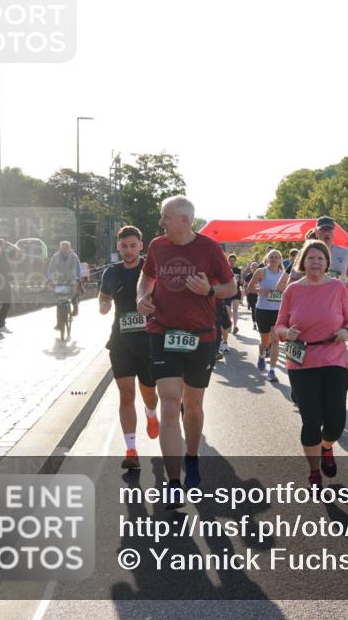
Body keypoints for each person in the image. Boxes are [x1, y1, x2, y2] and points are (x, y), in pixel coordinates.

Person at [136, 195, 236, 507]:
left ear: (185, 220)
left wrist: (208, 290)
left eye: (165, 217)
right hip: (162, 331)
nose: (161, 222)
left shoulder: (208, 248)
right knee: (169, 404)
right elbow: (146, 277)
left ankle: (191, 457)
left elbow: (231, 288)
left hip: (201, 336)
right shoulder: (157, 246)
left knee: (192, 406)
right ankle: (174, 481)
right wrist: (142, 298)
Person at [275, 240, 348, 487]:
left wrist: (346, 331)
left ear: (327, 263)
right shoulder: (292, 290)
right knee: (311, 420)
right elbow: (279, 325)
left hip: (333, 355)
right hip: (302, 360)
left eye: (320, 259)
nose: (316, 262)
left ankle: (326, 446)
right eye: (311, 258)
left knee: (335, 422)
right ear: (303, 261)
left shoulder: (337, 287)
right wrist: (286, 332)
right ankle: (314, 472)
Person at [98, 226, 160, 470]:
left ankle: (151, 413)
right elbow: (103, 296)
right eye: (124, 246)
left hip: (148, 341)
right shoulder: (111, 273)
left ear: (141, 246)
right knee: (126, 395)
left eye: (133, 245)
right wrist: (103, 305)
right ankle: (131, 449)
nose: (128, 250)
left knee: (149, 393)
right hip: (121, 341)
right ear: (118, 247)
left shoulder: (150, 269)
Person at [248, 249, 285, 382]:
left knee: (275, 341)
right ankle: (262, 354)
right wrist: (261, 290)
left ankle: (272, 371)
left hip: (278, 311)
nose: (274, 259)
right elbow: (249, 288)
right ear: (267, 259)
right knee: (266, 341)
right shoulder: (261, 271)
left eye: (277, 257)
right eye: (272, 257)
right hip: (262, 310)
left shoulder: (283, 275)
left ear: (280, 260)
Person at [46, 241, 80, 331]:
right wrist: (49, 280)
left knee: (74, 290)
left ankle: (75, 306)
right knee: (59, 303)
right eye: (63, 248)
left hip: (71, 278)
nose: (64, 249)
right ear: (60, 248)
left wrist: (78, 279)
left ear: (69, 248)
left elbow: (78, 269)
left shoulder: (74, 257)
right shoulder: (55, 257)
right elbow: (51, 269)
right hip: (60, 280)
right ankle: (59, 323)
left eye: (66, 248)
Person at [227, 254, 243, 334]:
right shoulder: (225, 269)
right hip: (227, 292)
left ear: (235, 261)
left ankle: (235, 326)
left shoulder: (238, 270)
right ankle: (229, 323)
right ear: (228, 261)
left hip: (236, 291)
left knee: (235, 309)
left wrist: (241, 275)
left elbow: (241, 282)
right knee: (228, 310)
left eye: (233, 260)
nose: (232, 262)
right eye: (230, 260)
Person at [243, 261, 260, 330]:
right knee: (253, 309)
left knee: (258, 309)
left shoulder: (261, 275)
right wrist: (246, 292)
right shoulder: (248, 276)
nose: (254, 268)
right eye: (253, 267)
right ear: (251, 268)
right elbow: (245, 285)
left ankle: (259, 322)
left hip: (259, 295)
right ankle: (254, 324)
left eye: (256, 267)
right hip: (251, 295)